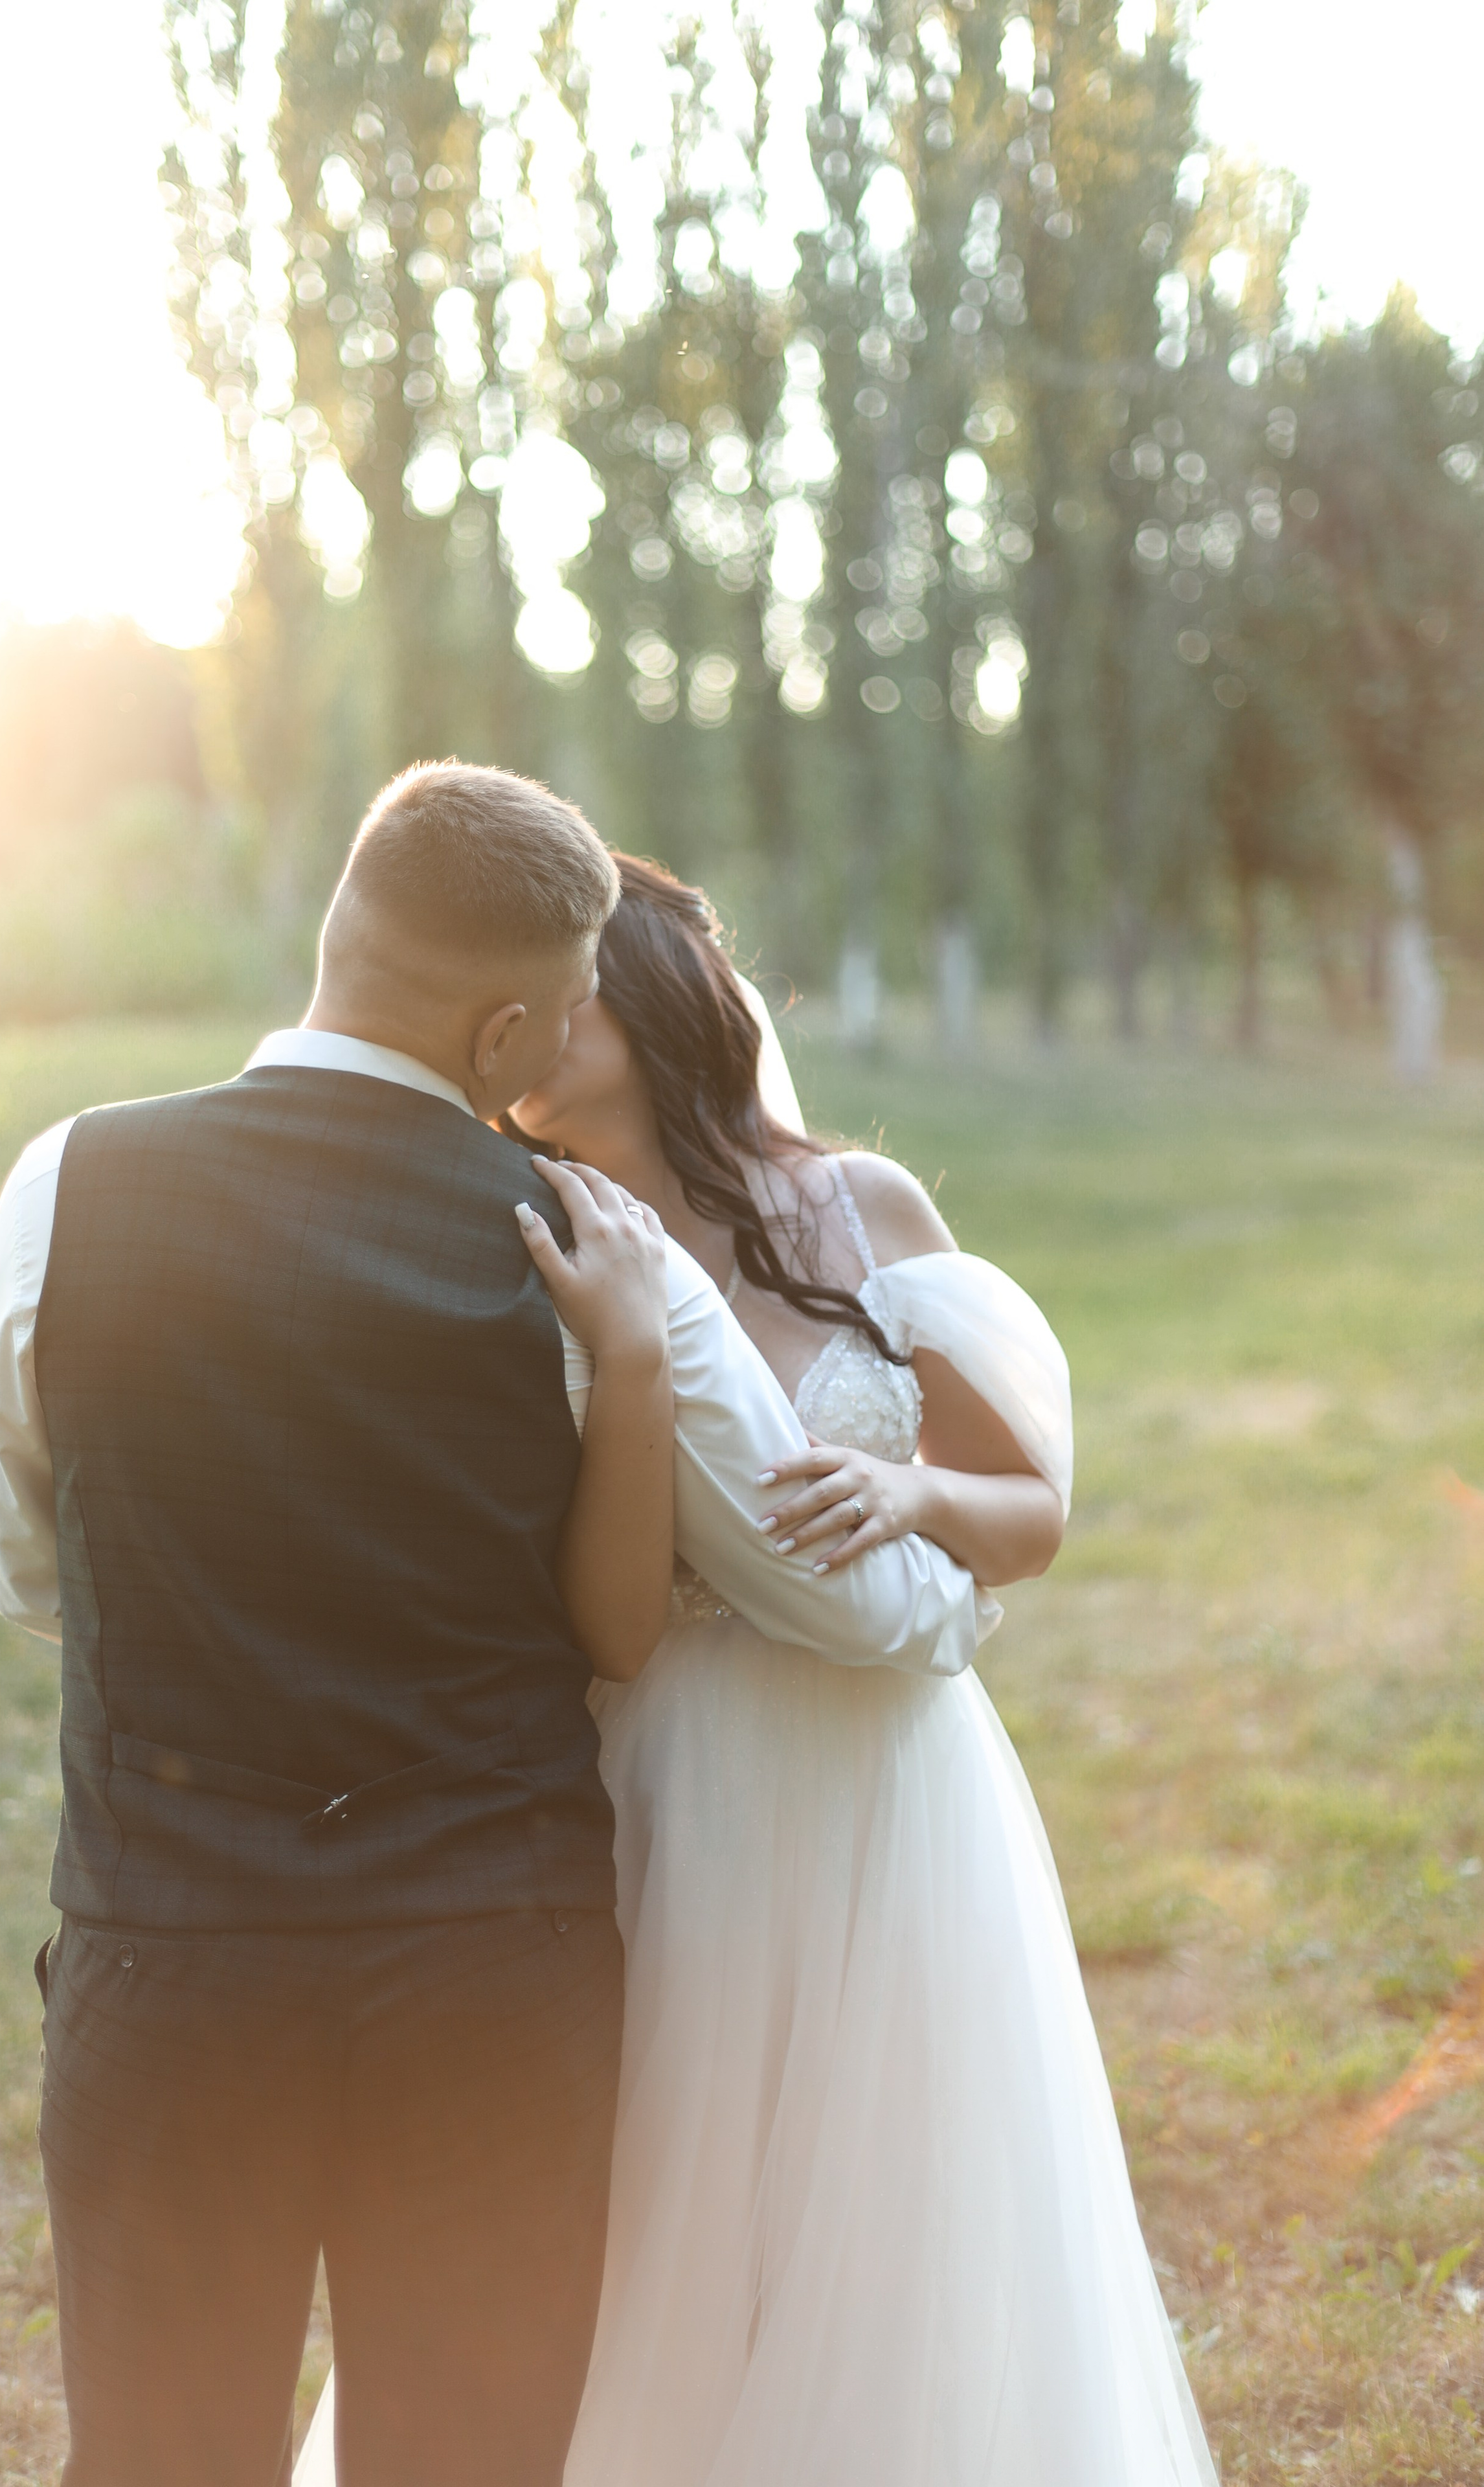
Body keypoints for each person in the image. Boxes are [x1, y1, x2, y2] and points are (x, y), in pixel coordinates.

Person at [0, 767, 980, 2487]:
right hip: (486, 1985)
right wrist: (962, 1546)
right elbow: (842, 1593)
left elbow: (37, 1574)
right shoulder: (605, 1258)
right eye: (578, 1003)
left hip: (167, 1952)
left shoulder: (70, 1186)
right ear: (508, 1019)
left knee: (152, 2456)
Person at [513, 859, 1215, 2487]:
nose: (530, 1033)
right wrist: (623, 1360)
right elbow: (610, 1624)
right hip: (677, 1776)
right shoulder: (538, 1250)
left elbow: (1029, 1515)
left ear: (650, 1000)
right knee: (671, 2201)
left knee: (898, 2198)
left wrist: (909, 1493)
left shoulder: (865, 1213)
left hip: (898, 1787)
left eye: (564, 994)